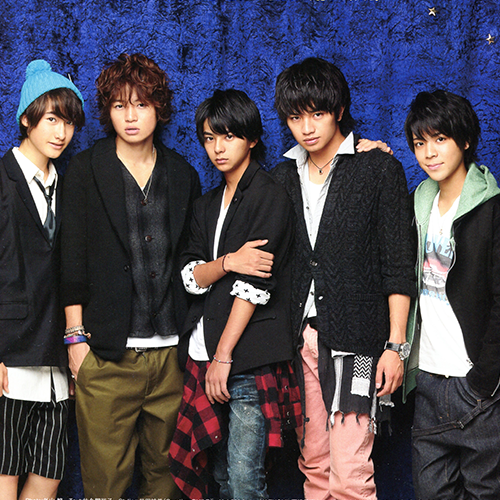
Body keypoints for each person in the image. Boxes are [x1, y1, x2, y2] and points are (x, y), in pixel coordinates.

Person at [272, 57, 416, 500]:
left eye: (317, 113)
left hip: (359, 344)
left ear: (338, 110)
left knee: (350, 474)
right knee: (315, 465)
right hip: (300, 342)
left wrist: (395, 346)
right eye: (295, 117)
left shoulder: (378, 169)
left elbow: (398, 265)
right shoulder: (282, 177)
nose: (306, 127)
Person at [60, 53, 201, 499]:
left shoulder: (183, 174)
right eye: (120, 105)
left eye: (141, 104)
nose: (131, 116)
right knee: (104, 486)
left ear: (159, 108)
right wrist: (76, 341)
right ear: (108, 111)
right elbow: (71, 259)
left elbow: (192, 258)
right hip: (106, 356)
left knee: (167, 483)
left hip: (171, 357)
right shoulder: (84, 171)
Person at [169, 89, 301, 500]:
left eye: (228, 136)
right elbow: (190, 276)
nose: (218, 148)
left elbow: (255, 284)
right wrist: (227, 261)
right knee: (221, 476)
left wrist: (223, 356)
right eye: (210, 138)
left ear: (252, 138)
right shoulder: (206, 204)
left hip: (246, 357)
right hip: (203, 352)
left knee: (245, 480)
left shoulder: (268, 194)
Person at [403, 90, 500, 500]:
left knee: (484, 493)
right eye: (419, 142)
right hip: (426, 379)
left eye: (440, 139)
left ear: (465, 140)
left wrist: (485, 380)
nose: (429, 152)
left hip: (475, 382)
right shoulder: (418, 203)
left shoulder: (491, 208)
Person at [0, 60, 84, 500]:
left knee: (49, 478)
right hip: (9, 358)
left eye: (68, 122)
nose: (61, 132)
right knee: (3, 474)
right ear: (26, 119)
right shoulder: (2, 180)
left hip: (54, 364)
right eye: (52, 119)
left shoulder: (69, 188)